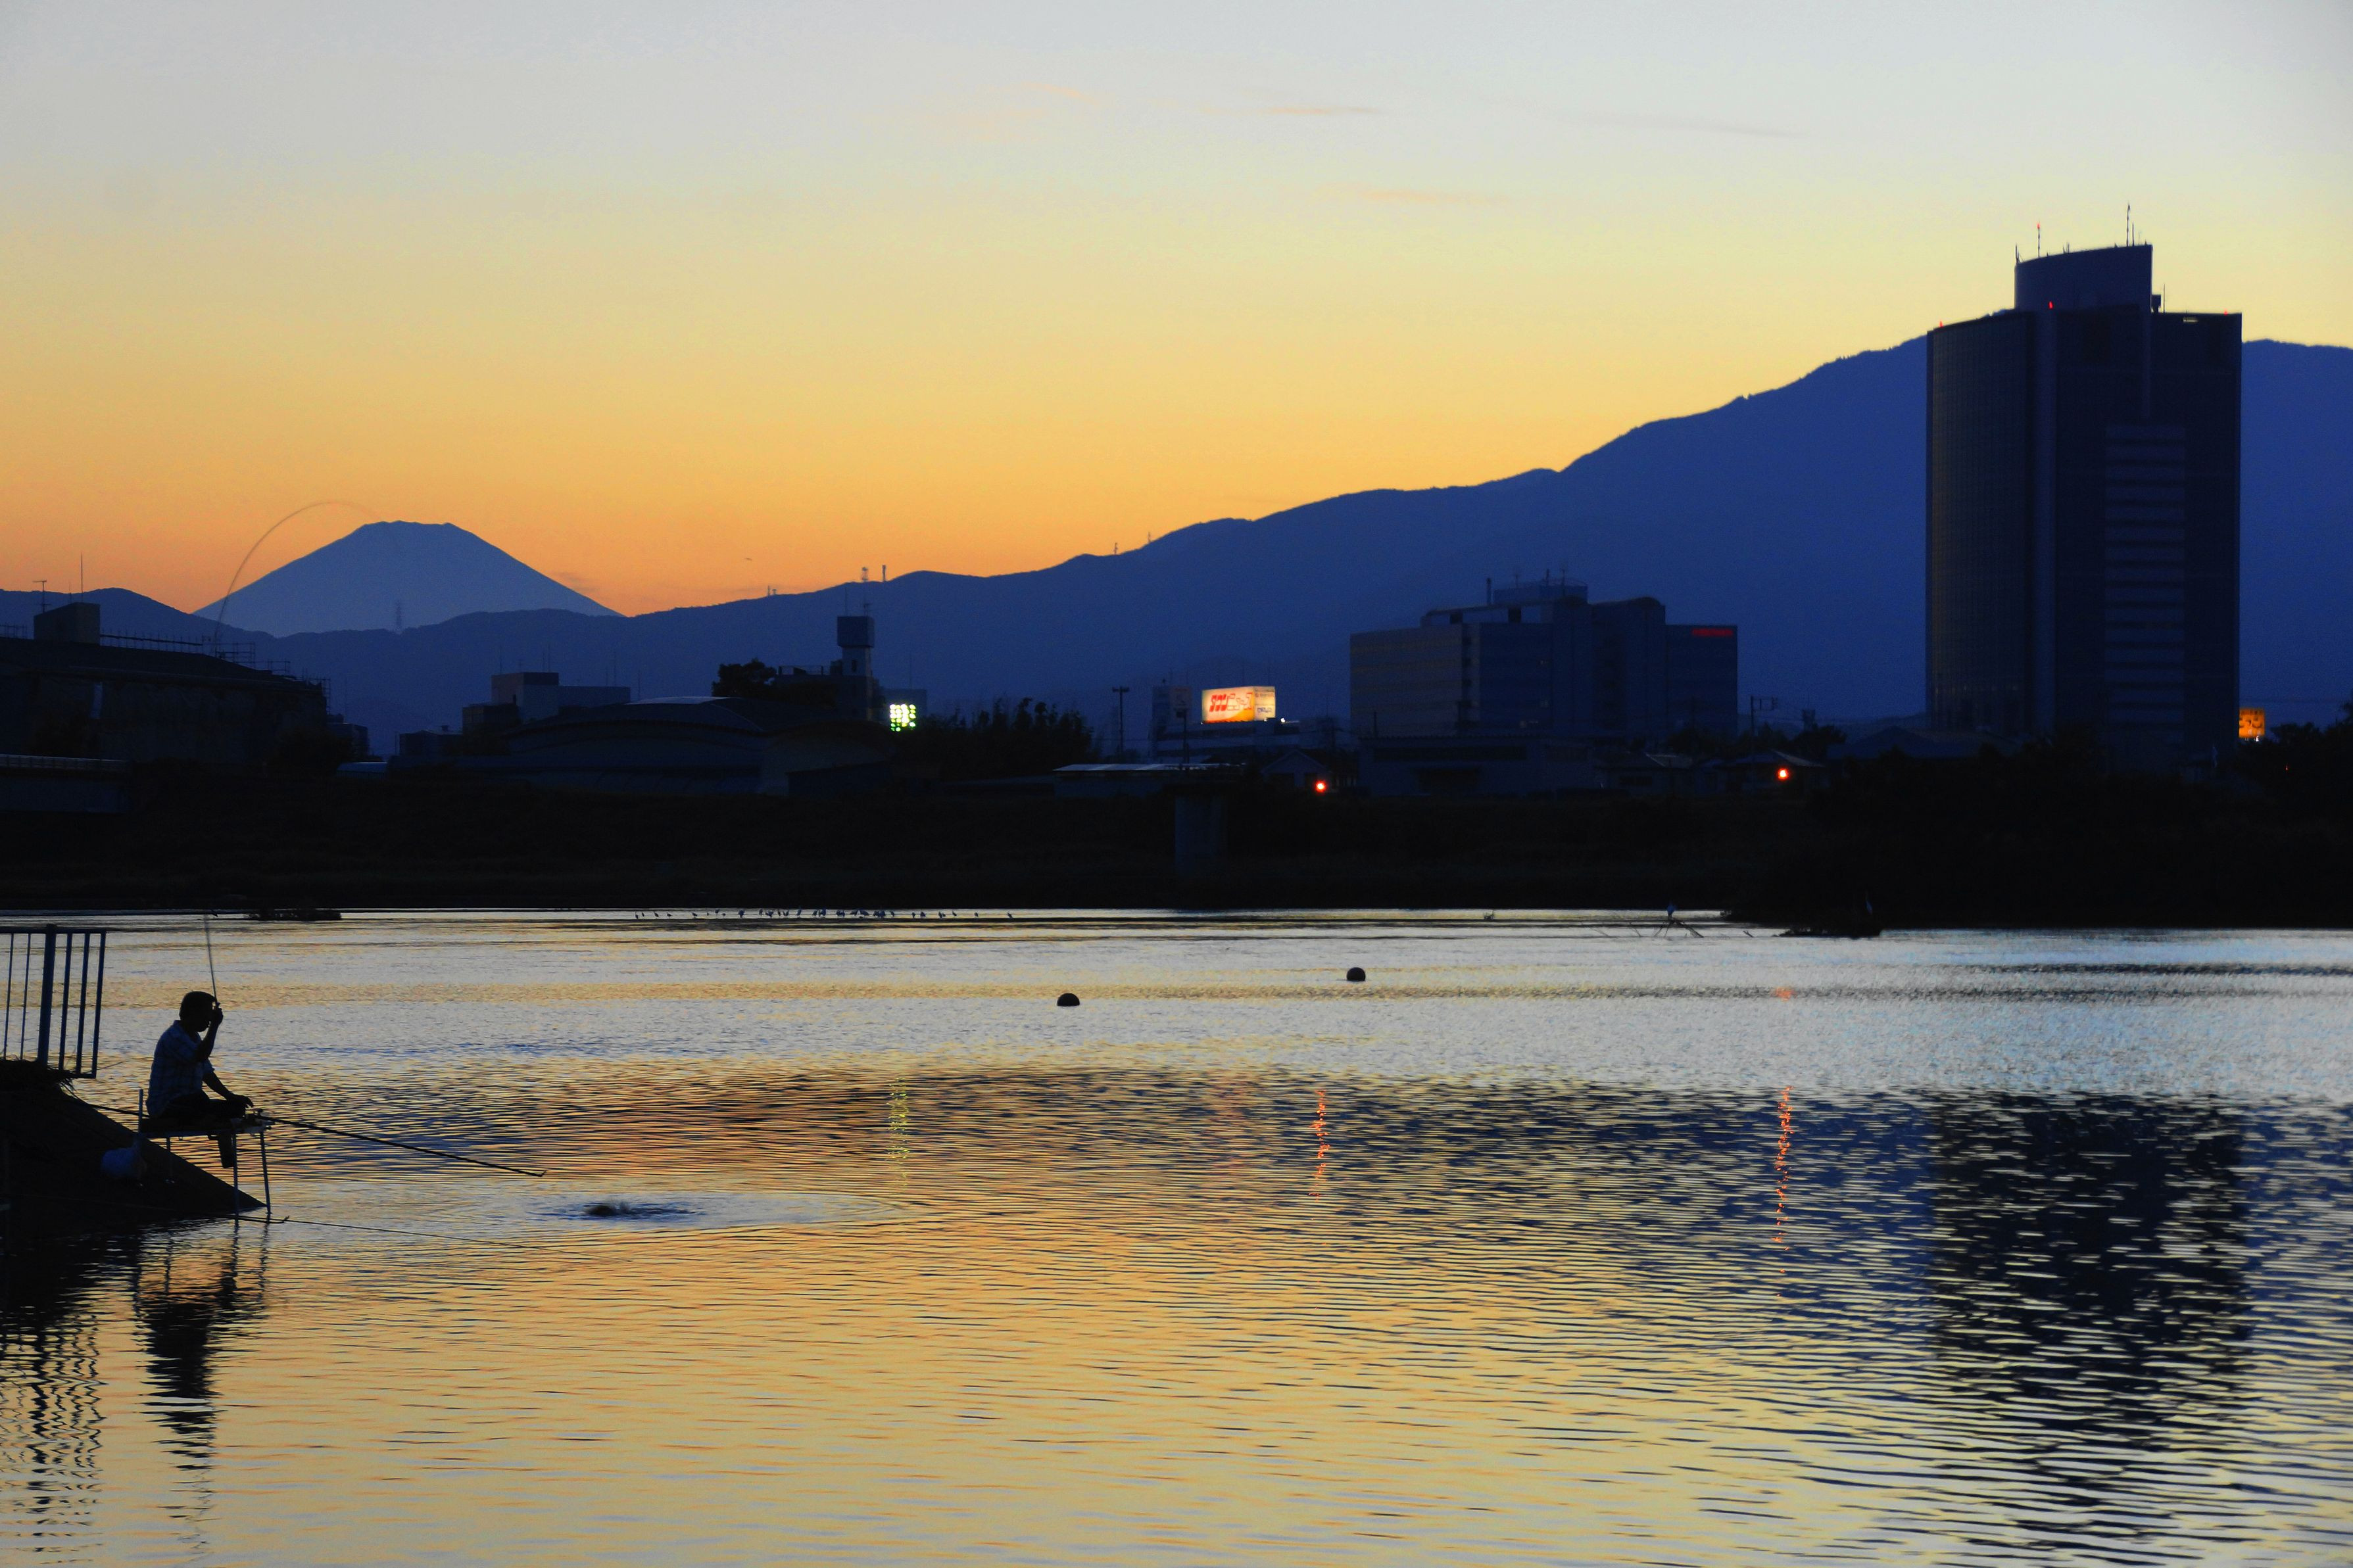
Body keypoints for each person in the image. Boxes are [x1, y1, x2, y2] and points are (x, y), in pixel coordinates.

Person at [148, 991, 253, 1170]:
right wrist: (215, 1027)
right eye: (207, 1014)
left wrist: (230, 1096)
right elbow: (201, 1056)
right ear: (193, 1013)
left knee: (235, 1107)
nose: (209, 1019)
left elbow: (207, 1074)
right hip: (166, 1105)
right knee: (199, 1100)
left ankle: (208, 1119)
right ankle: (206, 1118)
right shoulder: (175, 1037)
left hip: (190, 1102)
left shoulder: (194, 1038)